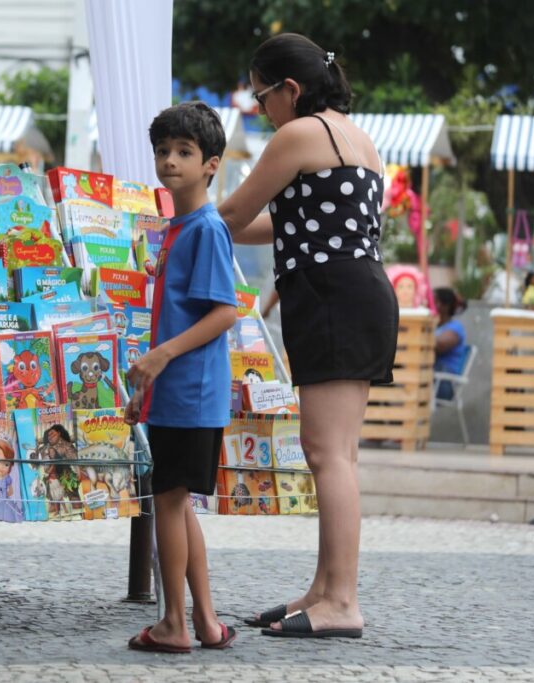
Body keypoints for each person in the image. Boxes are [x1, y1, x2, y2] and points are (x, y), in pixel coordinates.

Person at [217, 33, 398, 639]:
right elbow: (281, 222)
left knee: (327, 454)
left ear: (290, 89)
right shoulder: (355, 137)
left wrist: (176, 220)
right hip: (356, 292)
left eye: (262, 96)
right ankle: (323, 590)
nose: (261, 110)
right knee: (337, 452)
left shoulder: (298, 134)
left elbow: (233, 213)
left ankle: (341, 601)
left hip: (331, 297)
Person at [125, 102, 238, 653]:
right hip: (176, 392)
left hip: (191, 391)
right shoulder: (180, 228)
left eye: (184, 152)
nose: (170, 160)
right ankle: (207, 622)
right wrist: (148, 384)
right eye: (163, 151)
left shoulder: (206, 229)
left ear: (210, 164)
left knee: (168, 501)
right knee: (178, 500)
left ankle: (173, 624)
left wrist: (159, 358)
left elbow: (225, 313)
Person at [434, 288, 468, 400]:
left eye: (434, 301)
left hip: (444, 383)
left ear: (445, 306)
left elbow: (440, 345)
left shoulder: (455, 328)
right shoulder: (435, 326)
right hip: (434, 378)